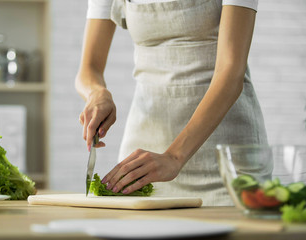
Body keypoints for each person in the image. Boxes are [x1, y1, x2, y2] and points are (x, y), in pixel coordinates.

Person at [75, 0, 267, 206]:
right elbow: (89, 69)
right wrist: (97, 93)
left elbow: (230, 72)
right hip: (144, 154)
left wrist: (174, 157)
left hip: (225, 157)